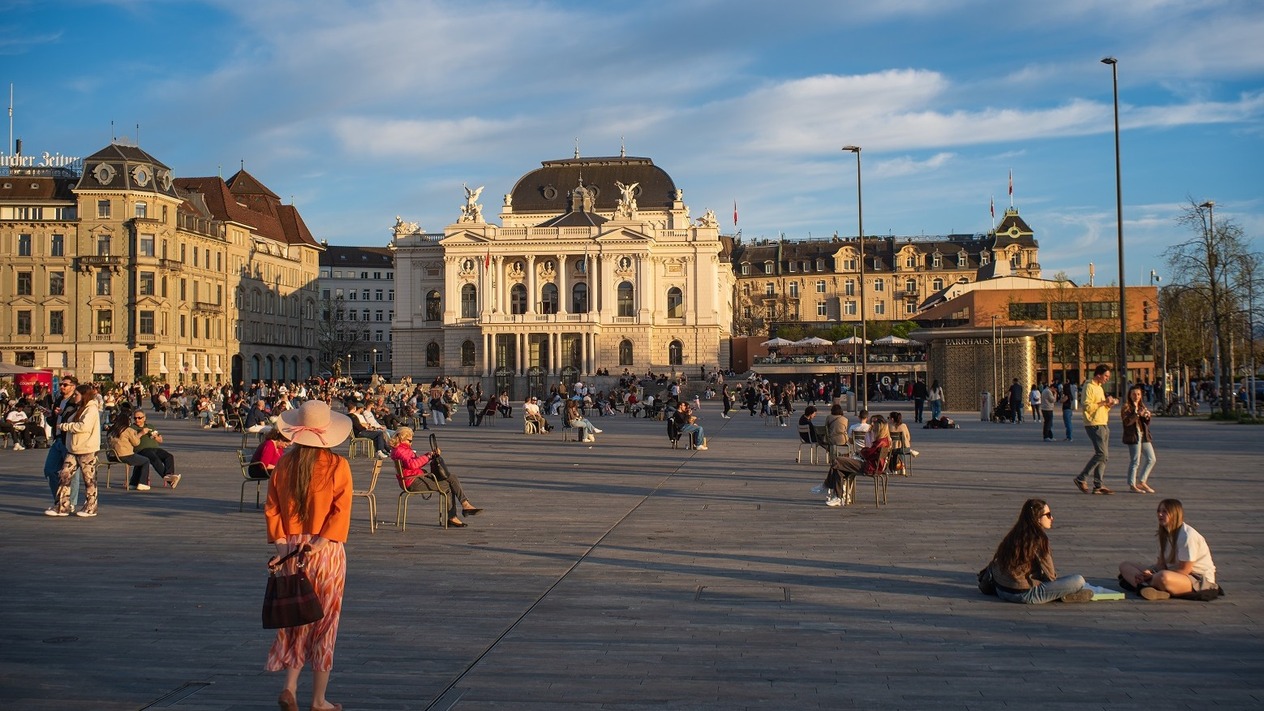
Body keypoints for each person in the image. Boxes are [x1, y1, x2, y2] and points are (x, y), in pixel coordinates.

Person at [265, 399, 353, 711]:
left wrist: (281, 545)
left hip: (290, 548)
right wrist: (318, 543)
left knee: (296, 620)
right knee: (325, 622)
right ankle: (318, 699)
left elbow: (272, 507)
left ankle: (289, 687)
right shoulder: (337, 466)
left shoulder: (284, 465)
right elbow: (340, 512)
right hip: (324, 550)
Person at [985, 499, 1093, 603]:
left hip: (1001, 590)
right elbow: (1050, 576)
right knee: (1078, 580)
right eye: (1048, 515)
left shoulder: (1014, 534)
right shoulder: (1038, 539)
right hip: (1022, 594)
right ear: (1037, 519)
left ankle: (1061, 594)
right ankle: (1062, 594)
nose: (1052, 518)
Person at [1119, 499, 1217, 600]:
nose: (1160, 515)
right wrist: (1149, 572)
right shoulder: (1162, 534)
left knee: (1163, 577)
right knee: (1125, 565)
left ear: (1175, 514)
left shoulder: (1187, 536)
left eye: (1164, 511)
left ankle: (1144, 586)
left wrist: (1152, 576)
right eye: (1159, 511)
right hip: (1169, 572)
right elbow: (1160, 565)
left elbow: (1185, 570)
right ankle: (1148, 588)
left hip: (1196, 579)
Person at [387, 427, 481, 527]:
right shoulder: (401, 451)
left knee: (451, 478)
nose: (411, 443)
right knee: (449, 486)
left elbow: (414, 463)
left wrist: (429, 455)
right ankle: (455, 514)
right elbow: (412, 465)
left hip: (413, 478)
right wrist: (428, 457)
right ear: (402, 438)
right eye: (409, 440)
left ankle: (464, 506)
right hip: (413, 481)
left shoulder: (401, 449)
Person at [49, 383, 102, 517]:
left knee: (89, 479)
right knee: (64, 475)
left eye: (77, 394)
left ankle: (91, 507)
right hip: (73, 448)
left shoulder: (91, 409)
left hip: (87, 449)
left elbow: (84, 426)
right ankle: (62, 506)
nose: (75, 397)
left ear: (83, 395)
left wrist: (66, 426)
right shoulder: (80, 408)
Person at [819, 415, 889, 506]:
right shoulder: (884, 440)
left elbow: (867, 453)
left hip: (869, 466)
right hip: (872, 465)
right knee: (838, 469)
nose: (873, 428)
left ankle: (828, 485)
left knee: (837, 460)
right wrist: (864, 451)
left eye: (875, 427)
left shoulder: (880, 442)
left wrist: (863, 451)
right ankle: (838, 497)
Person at [1074, 364, 1118, 495]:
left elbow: (1101, 407)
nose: (1107, 379)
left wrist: (1109, 404)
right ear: (1098, 374)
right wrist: (1104, 402)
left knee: (1104, 456)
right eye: (1106, 376)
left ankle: (1098, 485)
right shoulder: (1089, 386)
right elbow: (1087, 406)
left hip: (1103, 422)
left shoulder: (1099, 388)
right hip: (1093, 424)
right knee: (1101, 453)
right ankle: (1081, 477)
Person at [43, 376, 81, 514]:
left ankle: (70, 503)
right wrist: (50, 415)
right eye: (61, 384)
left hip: (69, 440)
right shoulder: (59, 399)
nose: (62, 387)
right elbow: (54, 422)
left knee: (72, 473)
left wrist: (62, 413)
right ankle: (59, 500)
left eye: (65, 385)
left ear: (73, 386)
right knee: (49, 470)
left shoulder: (76, 402)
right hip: (58, 439)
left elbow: (77, 420)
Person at [1121, 384, 1157, 494]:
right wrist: (1137, 414)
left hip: (1143, 434)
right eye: (1134, 394)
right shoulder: (1126, 407)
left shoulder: (1142, 406)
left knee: (1152, 458)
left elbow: (1146, 423)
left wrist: (1147, 416)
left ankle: (1142, 481)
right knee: (1135, 461)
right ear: (1130, 395)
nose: (1136, 396)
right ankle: (1132, 484)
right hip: (1133, 435)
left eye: (1138, 394)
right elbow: (1127, 422)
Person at [131, 411, 180, 488]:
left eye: (139, 418)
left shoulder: (150, 426)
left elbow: (160, 440)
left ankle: (169, 475)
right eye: (135, 418)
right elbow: (132, 441)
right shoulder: (132, 428)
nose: (137, 420)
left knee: (169, 456)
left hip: (155, 448)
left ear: (144, 418)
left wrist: (155, 437)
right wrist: (141, 433)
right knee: (154, 458)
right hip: (141, 450)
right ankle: (169, 479)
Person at [107, 413, 154, 490]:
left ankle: (133, 483)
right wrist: (141, 433)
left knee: (139, 460)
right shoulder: (127, 430)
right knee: (145, 461)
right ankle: (142, 483)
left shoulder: (111, 430)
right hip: (124, 455)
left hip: (111, 456)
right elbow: (136, 443)